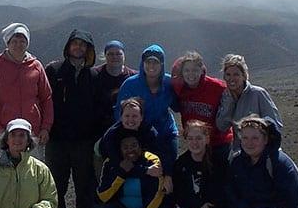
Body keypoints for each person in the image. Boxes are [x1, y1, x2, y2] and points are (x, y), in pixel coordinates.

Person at [44, 29, 103, 208]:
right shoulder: (54, 70)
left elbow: (98, 108)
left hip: (84, 142)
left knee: (84, 188)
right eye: (75, 43)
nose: (78, 48)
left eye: (83, 44)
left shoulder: (93, 76)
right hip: (57, 141)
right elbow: (45, 103)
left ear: (88, 49)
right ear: (68, 46)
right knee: (56, 187)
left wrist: (96, 136)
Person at [0, 23, 53, 160]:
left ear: (27, 43)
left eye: (22, 41)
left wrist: (46, 127)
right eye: (14, 41)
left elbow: (46, 97)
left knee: (32, 173)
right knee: (4, 173)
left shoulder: (36, 66)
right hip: (5, 133)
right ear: (7, 43)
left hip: (32, 132)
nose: (18, 45)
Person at [115, 44, 180, 191]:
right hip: (141, 136)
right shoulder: (131, 84)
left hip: (166, 133)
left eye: (155, 62)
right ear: (142, 64)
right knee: (147, 174)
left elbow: (179, 105)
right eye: (148, 62)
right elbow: (119, 113)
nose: (151, 66)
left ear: (162, 64)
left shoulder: (169, 83)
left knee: (169, 172)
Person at [96, 134, 171, 208]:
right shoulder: (111, 163)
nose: (130, 150)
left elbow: (156, 199)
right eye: (125, 147)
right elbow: (103, 196)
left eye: (134, 145)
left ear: (141, 146)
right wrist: (121, 174)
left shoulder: (152, 162)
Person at [171, 121, 226, 208]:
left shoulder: (218, 161)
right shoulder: (181, 163)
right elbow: (179, 193)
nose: (194, 143)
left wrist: (210, 205)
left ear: (207, 139)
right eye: (190, 138)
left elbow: (223, 189)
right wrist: (195, 207)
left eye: (199, 138)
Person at [171, 51, 233, 173]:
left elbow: (235, 95)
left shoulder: (217, 87)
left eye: (195, 70)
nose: (191, 74)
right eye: (187, 70)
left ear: (202, 70)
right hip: (195, 144)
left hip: (218, 144)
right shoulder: (180, 89)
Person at [216, 54, 282, 156]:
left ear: (244, 76)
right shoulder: (226, 97)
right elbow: (222, 126)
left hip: (262, 153)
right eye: (228, 74)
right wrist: (229, 103)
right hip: (240, 154)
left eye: (236, 74)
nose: (231, 78)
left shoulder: (258, 93)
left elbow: (275, 124)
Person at [94, 40, 136, 135]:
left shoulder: (133, 77)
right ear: (105, 56)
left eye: (118, 54)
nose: (115, 57)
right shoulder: (94, 74)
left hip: (126, 126)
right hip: (98, 126)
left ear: (124, 56)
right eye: (110, 54)